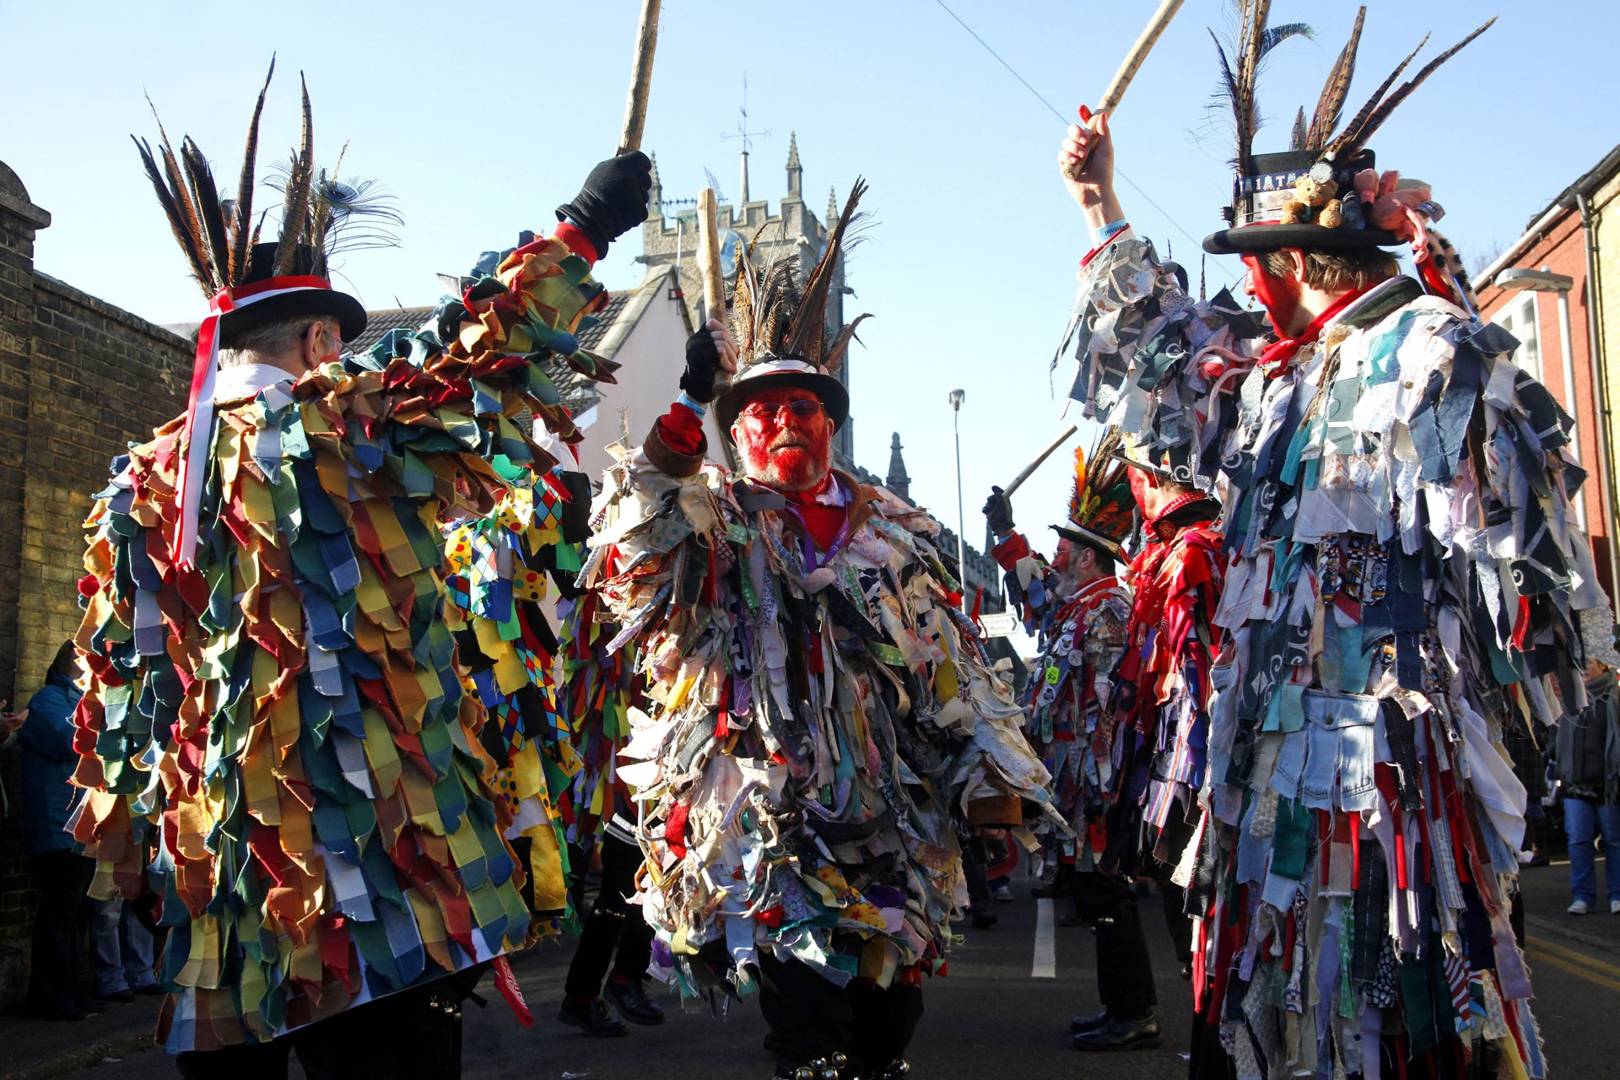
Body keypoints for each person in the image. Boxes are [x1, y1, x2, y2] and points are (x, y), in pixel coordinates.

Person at [67, 70, 651, 1077]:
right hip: (384, 877)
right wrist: (582, 231)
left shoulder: (138, 485)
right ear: (326, 341)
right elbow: (472, 358)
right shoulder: (345, 426)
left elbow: (117, 680)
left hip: (228, 890)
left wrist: (122, 850)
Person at [1054, 11, 1596, 1078]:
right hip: (1275, 783)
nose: (1244, 295)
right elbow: (1170, 355)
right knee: (1278, 1020)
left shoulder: (1431, 353)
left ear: (1288, 259)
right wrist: (1098, 204)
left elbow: (1528, 578)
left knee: (1397, 1010)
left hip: (1391, 782)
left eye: (1254, 268)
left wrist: (1501, 693)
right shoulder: (1283, 384)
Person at [581, 180, 1057, 1080]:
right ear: (737, 435)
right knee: (808, 1037)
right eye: (759, 411)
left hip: (891, 819)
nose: (782, 421)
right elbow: (638, 532)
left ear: (831, 424)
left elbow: (950, 665)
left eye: (801, 407)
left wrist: (994, 772)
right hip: (772, 820)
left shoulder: (895, 535)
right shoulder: (716, 520)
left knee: (889, 1016)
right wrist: (688, 401)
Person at [21, 641, 95, 1021]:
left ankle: (73, 993)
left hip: (78, 827)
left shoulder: (79, 701)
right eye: (85, 657)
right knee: (59, 913)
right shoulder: (49, 700)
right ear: (71, 662)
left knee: (75, 914)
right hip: (55, 825)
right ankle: (50, 998)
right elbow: (71, 742)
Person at [1555, 658, 1620, 915]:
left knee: (1613, 840)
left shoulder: (1614, 698)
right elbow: (1558, 735)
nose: (1583, 668)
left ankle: (1617, 894)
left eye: (1588, 663)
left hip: (1608, 784)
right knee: (1578, 840)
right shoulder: (1570, 698)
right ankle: (1582, 895)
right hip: (1575, 782)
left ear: (1602, 666)